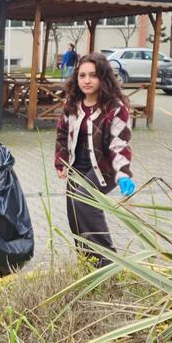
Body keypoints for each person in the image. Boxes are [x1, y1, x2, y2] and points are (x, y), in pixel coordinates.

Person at [54, 52, 135, 268]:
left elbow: (119, 146)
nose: (87, 80)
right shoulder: (72, 103)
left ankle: (107, 263)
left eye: (93, 75)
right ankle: (87, 265)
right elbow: (62, 134)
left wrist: (123, 175)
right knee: (75, 215)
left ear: (103, 77)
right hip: (76, 167)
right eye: (82, 76)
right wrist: (61, 161)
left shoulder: (115, 108)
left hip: (104, 169)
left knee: (84, 202)